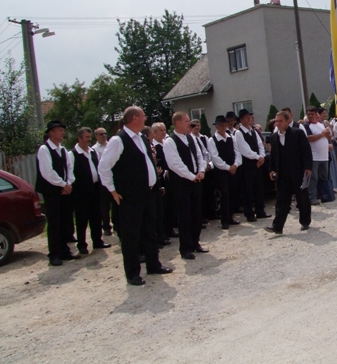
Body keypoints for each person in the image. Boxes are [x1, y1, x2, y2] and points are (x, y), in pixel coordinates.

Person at [98, 107, 172, 285]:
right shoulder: (118, 140)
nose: (146, 118)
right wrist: (112, 190)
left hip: (148, 192)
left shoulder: (141, 138)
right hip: (131, 196)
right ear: (134, 118)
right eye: (143, 115)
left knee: (150, 231)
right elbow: (104, 167)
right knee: (131, 235)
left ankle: (153, 264)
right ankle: (132, 273)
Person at [164, 112, 208, 260]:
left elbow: (200, 156)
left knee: (196, 213)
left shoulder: (191, 138)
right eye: (186, 121)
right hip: (181, 183)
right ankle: (185, 248)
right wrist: (191, 176)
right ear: (178, 123)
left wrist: (201, 170)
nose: (189, 124)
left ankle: (195, 242)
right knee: (184, 215)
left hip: (196, 180)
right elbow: (175, 164)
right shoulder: (170, 141)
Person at [36, 120, 79, 266]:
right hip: (52, 190)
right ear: (51, 133)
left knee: (65, 219)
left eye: (62, 130)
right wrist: (62, 184)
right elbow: (47, 172)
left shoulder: (63, 150)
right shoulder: (44, 149)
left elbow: (69, 168)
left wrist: (69, 183)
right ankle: (54, 253)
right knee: (54, 222)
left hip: (64, 189)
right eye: (59, 130)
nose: (62, 133)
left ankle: (64, 251)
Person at [265, 111, 313, 234]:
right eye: (276, 121)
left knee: (302, 198)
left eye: (280, 121)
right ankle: (277, 226)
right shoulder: (274, 137)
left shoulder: (298, 133)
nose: (278, 123)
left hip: (298, 172)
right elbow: (273, 155)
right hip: (282, 174)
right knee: (281, 200)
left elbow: (306, 151)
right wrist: (271, 169)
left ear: (287, 121)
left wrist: (308, 167)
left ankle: (305, 221)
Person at [69, 127, 111, 255]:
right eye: (86, 137)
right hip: (81, 191)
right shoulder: (72, 154)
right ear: (79, 138)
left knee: (96, 216)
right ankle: (82, 244)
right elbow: (70, 173)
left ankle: (97, 241)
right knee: (82, 219)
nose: (89, 139)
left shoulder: (93, 152)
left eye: (89, 137)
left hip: (95, 188)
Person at [235, 109, 271, 221]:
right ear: (241, 120)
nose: (249, 119)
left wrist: (262, 157)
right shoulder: (239, 133)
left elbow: (261, 145)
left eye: (250, 117)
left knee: (259, 188)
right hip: (247, 165)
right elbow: (244, 150)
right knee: (247, 190)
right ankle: (249, 213)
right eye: (247, 117)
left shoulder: (254, 132)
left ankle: (260, 211)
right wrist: (258, 157)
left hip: (257, 164)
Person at [208, 115, 242, 230]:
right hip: (222, 172)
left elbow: (237, 153)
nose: (223, 127)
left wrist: (236, 164)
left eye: (224, 125)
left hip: (233, 170)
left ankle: (231, 216)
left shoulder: (231, 138)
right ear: (216, 127)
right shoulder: (212, 140)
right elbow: (215, 158)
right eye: (221, 125)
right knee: (224, 195)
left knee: (233, 193)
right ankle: (224, 220)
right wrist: (228, 167)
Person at [303, 106, 331, 204]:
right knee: (313, 178)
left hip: (324, 156)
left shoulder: (321, 124)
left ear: (316, 114)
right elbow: (310, 138)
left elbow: (329, 137)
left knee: (323, 177)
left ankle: (324, 195)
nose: (310, 116)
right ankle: (312, 198)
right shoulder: (306, 125)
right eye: (308, 114)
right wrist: (322, 134)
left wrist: (327, 133)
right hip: (314, 156)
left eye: (312, 114)